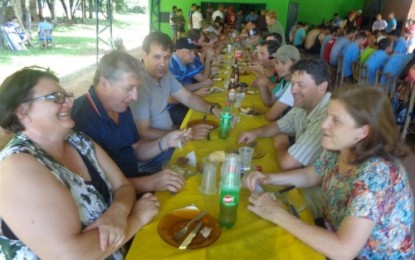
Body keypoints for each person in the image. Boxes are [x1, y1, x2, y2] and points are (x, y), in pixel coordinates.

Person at [0, 66, 160, 259]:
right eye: (55, 97)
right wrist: (136, 218)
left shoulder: (78, 140)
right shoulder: (17, 167)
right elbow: (70, 256)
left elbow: (123, 186)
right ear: (23, 111)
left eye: (66, 95)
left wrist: (117, 212)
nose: (69, 102)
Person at [242, 86, 414, 259]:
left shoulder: (377, 174)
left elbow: (343, 251)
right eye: (327, 115)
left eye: (336, 120)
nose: (324, 124)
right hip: (334, 232)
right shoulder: (339, 148)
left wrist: (277, 214)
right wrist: (268, 178)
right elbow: (310, 175)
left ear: (363, 132)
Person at [72, 50, 187, 191]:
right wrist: (153, 183)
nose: (135, 96)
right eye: (129, 88)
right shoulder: (81, 120)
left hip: (135, 181)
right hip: (117, 199)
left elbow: (135, 150)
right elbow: (101, 185)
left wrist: (165, 142)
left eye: (137, 88)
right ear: (104, 83)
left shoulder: (120, 106)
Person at [239, 59, 332, 217]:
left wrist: (281, 144)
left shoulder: (326, 117)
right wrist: (255, 133)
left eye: (301, 85)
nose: (293, 90)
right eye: (292, 83)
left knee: (254, 205)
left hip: (323, 195)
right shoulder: (304, 104)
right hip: (306, 177)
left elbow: (289, 164)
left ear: (322, 87)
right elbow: (279, 125)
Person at [131, 32, 222, 143]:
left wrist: (213, 109)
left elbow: (188, 98)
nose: (163, 63)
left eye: (166, 57)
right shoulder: (138, 85)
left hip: (171, 137)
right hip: (157, 148)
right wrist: (183, 133)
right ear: (144, 55)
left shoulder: (166, 75)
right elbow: (143, 132)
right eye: (157, 57)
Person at [168, 38, 213, 125]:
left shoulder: (185, 62)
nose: (193, 55)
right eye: (189, 52)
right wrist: (196, 93)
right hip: (171, 109)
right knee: (201, 117)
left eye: (193, 51)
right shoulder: (172, 68)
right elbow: (171, 99)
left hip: (181, 101)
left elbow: (181, 88)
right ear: (178, 51)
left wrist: (201, 84)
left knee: (206, 106)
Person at [255, 45, 300, 122]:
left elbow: (270, 117)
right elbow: (269, 101)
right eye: (277, 62)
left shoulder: (294, 86)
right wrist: (262, 86)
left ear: (295, 64)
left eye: (283, 63)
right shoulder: (285, 81)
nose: (278, 67)